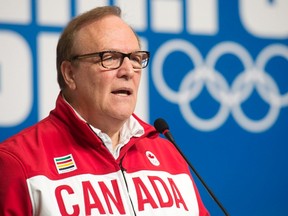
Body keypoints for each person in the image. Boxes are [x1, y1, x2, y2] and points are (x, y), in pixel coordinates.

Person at [0, 6, 209, 216]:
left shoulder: (168, 155)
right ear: (70, 74)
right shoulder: (18, 163)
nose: (128, 71)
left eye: (135, 58)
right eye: (109, 57)